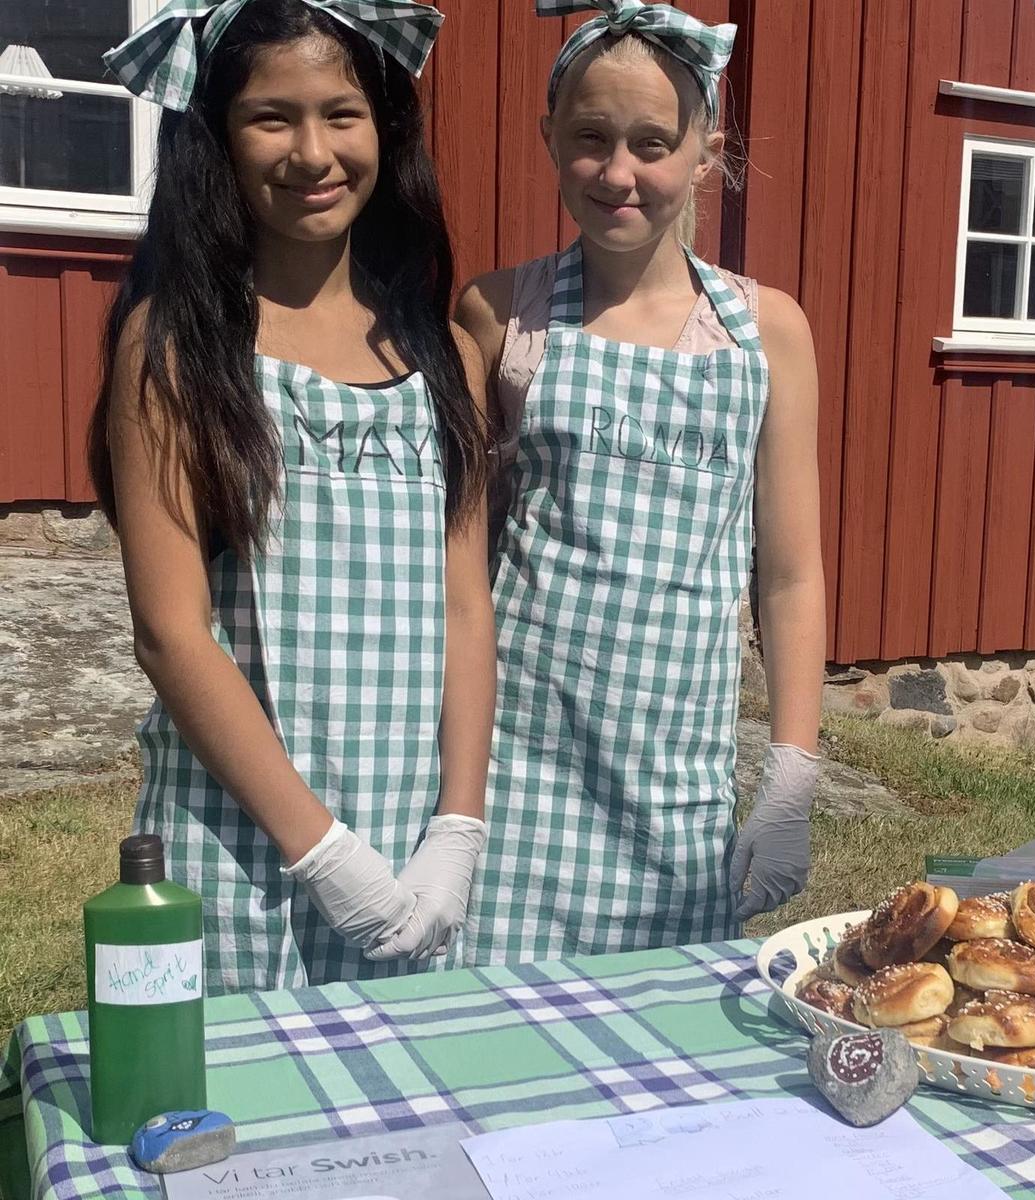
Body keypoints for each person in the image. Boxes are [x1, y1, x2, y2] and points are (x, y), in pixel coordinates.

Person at [91, 0, 495, 993]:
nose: (313, 152)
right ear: (217, 139)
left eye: (341, 113)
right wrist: (325, 858)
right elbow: (172, 633)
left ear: (386, 129)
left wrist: (458, 827)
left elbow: (465, 602)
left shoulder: (446, 357)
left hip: (409, 851)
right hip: (245, 851)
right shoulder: (178, 349)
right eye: (272, 117)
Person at [456, 1, 826, 963]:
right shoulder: (502, 316)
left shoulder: (766, 332)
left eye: (654, 143)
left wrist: (791, 774)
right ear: (550, 141)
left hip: (676, 780)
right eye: (592, 139)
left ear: (706, 150)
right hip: (518, 769)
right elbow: (457, 563)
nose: (621, 173)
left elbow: (787, 577)